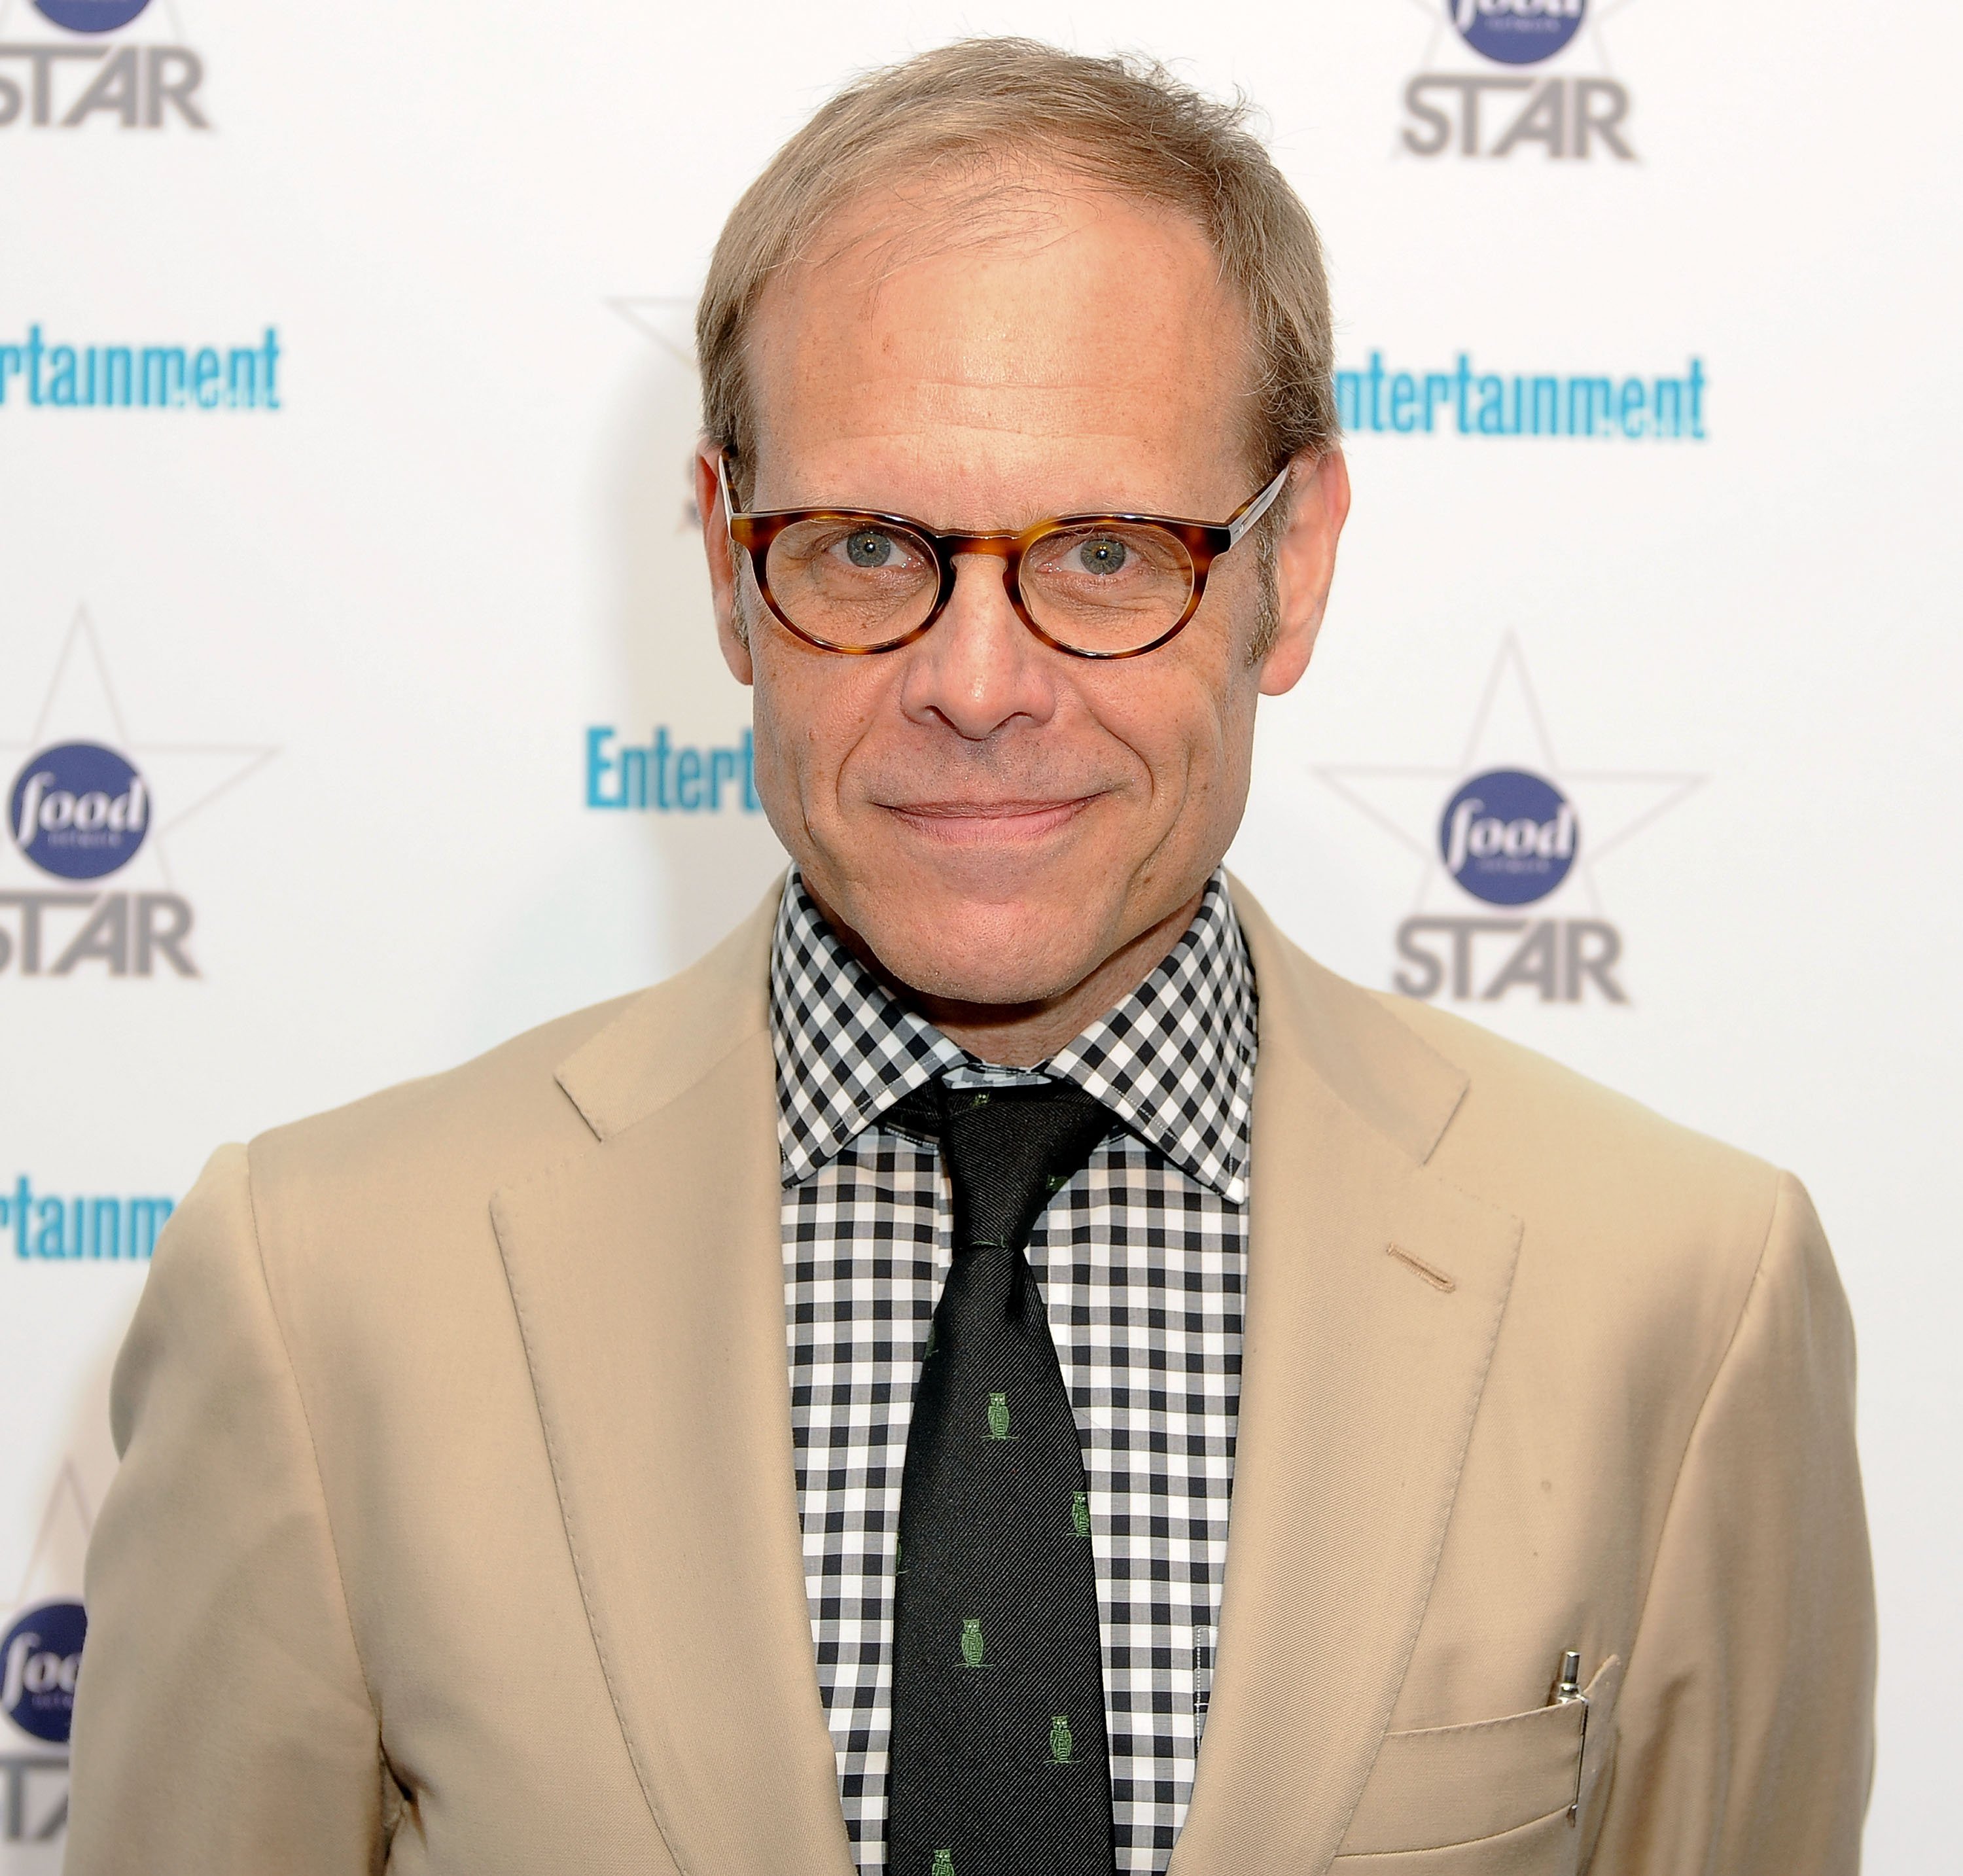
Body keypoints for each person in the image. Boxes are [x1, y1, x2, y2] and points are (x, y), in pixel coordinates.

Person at [64, 37, 1873, 1876]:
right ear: (726, 565)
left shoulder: (1680, 1297)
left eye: (1105, 553)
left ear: (1296, 565)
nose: (979, 684)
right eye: (865, 548)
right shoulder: (322, 1294)